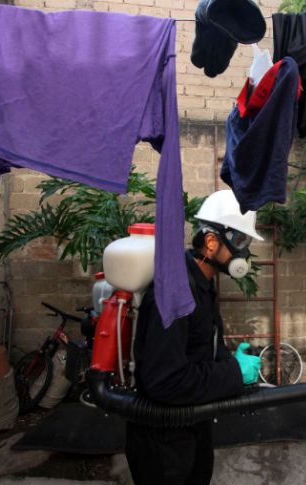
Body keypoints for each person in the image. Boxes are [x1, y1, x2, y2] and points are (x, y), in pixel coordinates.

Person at [125, 189, 264, 485]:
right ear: (212, 242)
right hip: (164, 443)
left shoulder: (200, 282)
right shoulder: (175, 292)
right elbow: (165, 380)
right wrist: (234, 373)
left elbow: (201, 346)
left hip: (192, 422)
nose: (244, 253)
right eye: (240, 241)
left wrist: (228, 359)